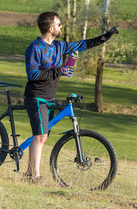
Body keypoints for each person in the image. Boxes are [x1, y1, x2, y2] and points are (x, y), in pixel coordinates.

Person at [24, 11, 119, 180]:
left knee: (42, 137)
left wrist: (106, 37)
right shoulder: (35, 48)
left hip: (50, 97)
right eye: (59, 24)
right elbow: (33, 75)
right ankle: (34, 175)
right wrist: (58, 71)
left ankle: (29, 172)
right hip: (36, 96)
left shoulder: (59, 46)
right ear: (50, 28)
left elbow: (82, 45)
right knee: (40, 136)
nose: (61, 27)